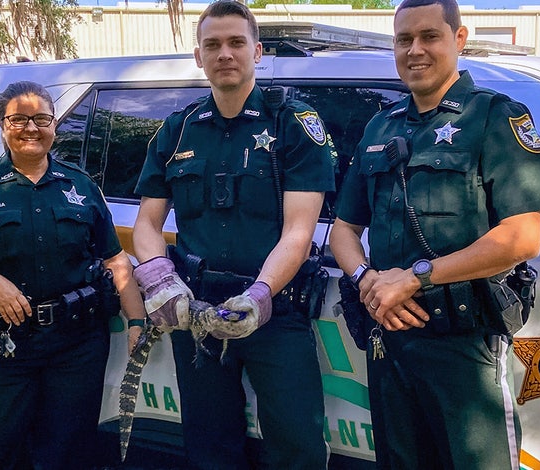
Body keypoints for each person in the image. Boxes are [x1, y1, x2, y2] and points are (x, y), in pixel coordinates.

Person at [329, 0, 540, 469]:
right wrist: (365, 280)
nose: (414, 50)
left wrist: (413, 278)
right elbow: (343, 228)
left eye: (429, 36)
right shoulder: (381, 125)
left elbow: (522, 237)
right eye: (403, 40)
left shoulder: (494, 118)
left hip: (463, 344)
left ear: (458, 38)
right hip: (389, 338)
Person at [131, 1, 336, 468]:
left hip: (275, 308)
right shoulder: (177, 130)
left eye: (236, 42)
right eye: (213, 44)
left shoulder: (292, 124)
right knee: (209, 446)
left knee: (296, 445)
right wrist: (162, 279)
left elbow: (299, 231)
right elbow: (146, 224)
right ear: (198, 56)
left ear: (257, 51)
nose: (225, 53)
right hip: (195, 310)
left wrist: (260, 294)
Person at [0, 80, 146, 469]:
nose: (31, 128)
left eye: (41, 118)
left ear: (54, 125)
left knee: (68, 450)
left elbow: (115, 261)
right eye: (19, 119)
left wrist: (138, 321)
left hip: (76, 345)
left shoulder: (81, 185)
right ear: (2, 125)